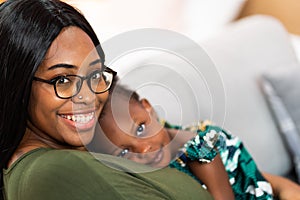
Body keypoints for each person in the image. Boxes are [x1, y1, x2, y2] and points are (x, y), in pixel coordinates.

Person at [0, 0, 215, 200]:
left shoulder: (93, 143)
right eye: (63, 79)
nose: (88, 96)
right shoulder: (54, 172)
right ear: (18, 84)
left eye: (94, 75)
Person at [95, 83, 300, 200]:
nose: (144, 149)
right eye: (123, 153)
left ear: (148, 108)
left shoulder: (197, 146)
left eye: (140, 128)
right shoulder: (147, 165)